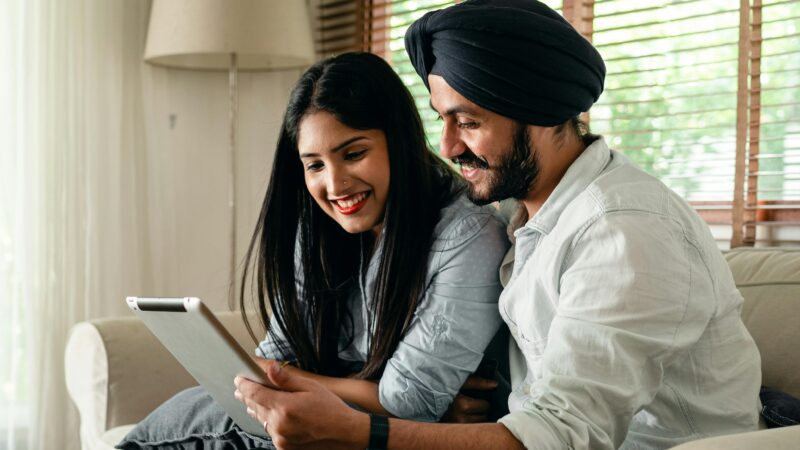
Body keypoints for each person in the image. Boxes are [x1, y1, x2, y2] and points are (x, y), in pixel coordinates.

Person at [232, 1, 763, 449]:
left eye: (469, 122)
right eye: (444, 120)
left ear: (544, 112)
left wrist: (365, 432)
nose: (448, 148)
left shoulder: (621, 232)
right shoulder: (519, 215)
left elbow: (557, 434)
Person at [116, 52, 510, 450]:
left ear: (400, 141)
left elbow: (409, 402)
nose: (335, 185)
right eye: (315, 165)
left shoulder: (468, 236)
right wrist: (379, 395)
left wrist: (289, 376)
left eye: (354, 154)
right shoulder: (320, 228)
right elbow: (275, 357)